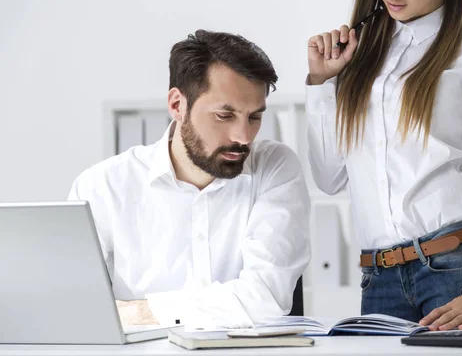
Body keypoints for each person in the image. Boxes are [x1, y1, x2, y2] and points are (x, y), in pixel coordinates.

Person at [306, 0, 462, 331]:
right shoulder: (356, 52)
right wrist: (321, 82)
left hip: (457, 272)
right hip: (379, 279)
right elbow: (329, 178)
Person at [69, 30, 310, 329]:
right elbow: (76, 308)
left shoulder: (275, 168)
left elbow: (266, 300)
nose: (243, 137)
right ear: (177, 105)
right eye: (224, 115)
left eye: (254, 117)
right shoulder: (101, 187)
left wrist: (137, 313)